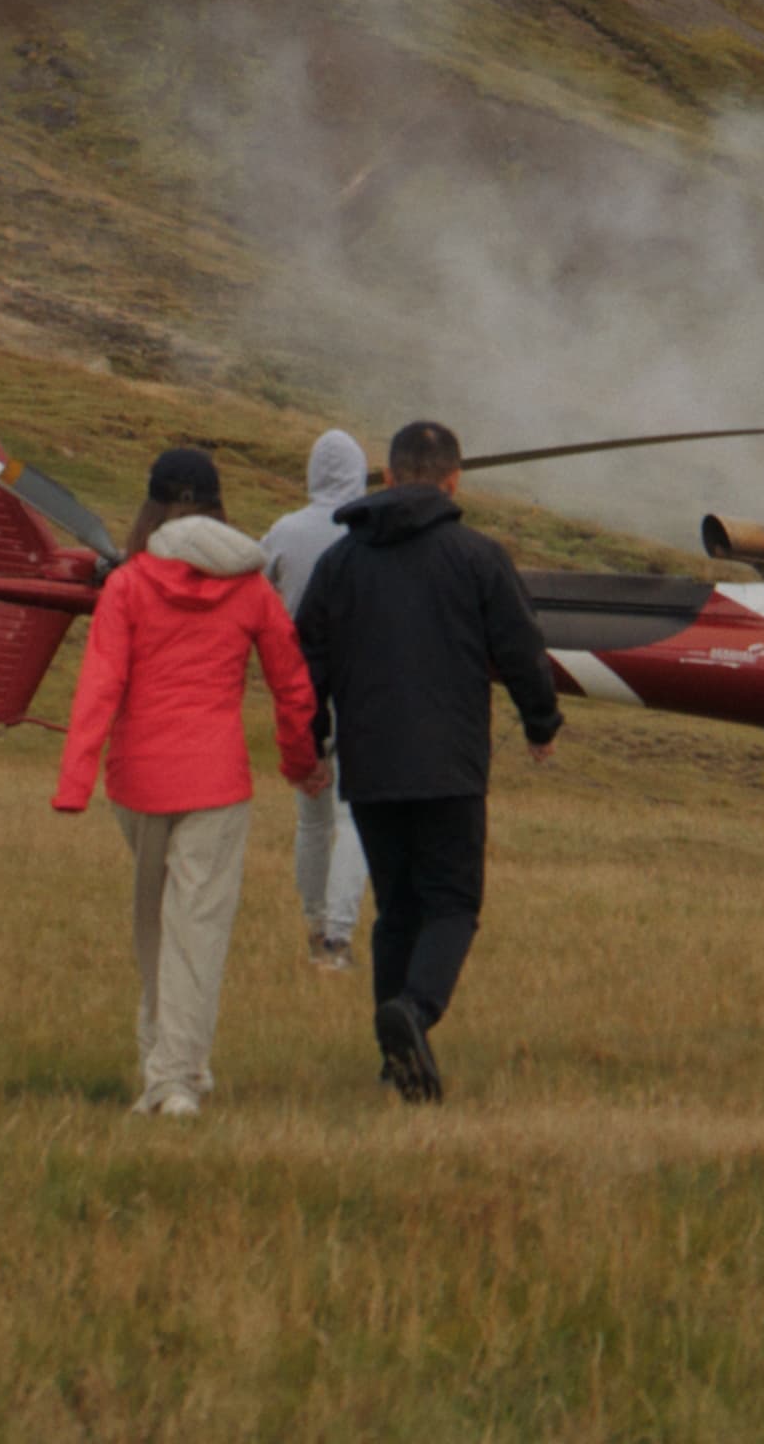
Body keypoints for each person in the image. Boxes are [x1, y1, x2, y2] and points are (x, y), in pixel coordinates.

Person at [291, 419, 564, 1104]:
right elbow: (523, 648)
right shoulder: (479, 557)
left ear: (387, 477)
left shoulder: (340, 563)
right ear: (454, 482)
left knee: (397, 911)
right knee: (453, 903)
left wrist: (311, 742)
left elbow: (305, 663)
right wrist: (541, 722)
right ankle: (414, 1011)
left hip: (370, 767)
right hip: (450, 766)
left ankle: (396, 1061)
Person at [51, 447, 322, 1117]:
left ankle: (170, 1068)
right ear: (219, 506)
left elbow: (99, 688)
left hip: (138, 780)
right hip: (217, 781)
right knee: (197, 927)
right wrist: (299, 763)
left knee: (154, 924)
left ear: (152, 508)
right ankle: (176, 1075)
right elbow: (292, 685)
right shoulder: (251, 587)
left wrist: (74, 783)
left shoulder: (129, 585)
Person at [257, 429, 374, 974]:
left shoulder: (284, 530)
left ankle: (313, 924)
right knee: (353, 818)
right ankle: (337, 938)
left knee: (312, 820)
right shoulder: (367, 531)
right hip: (360, 688)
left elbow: (250, 582)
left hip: (299, 688)